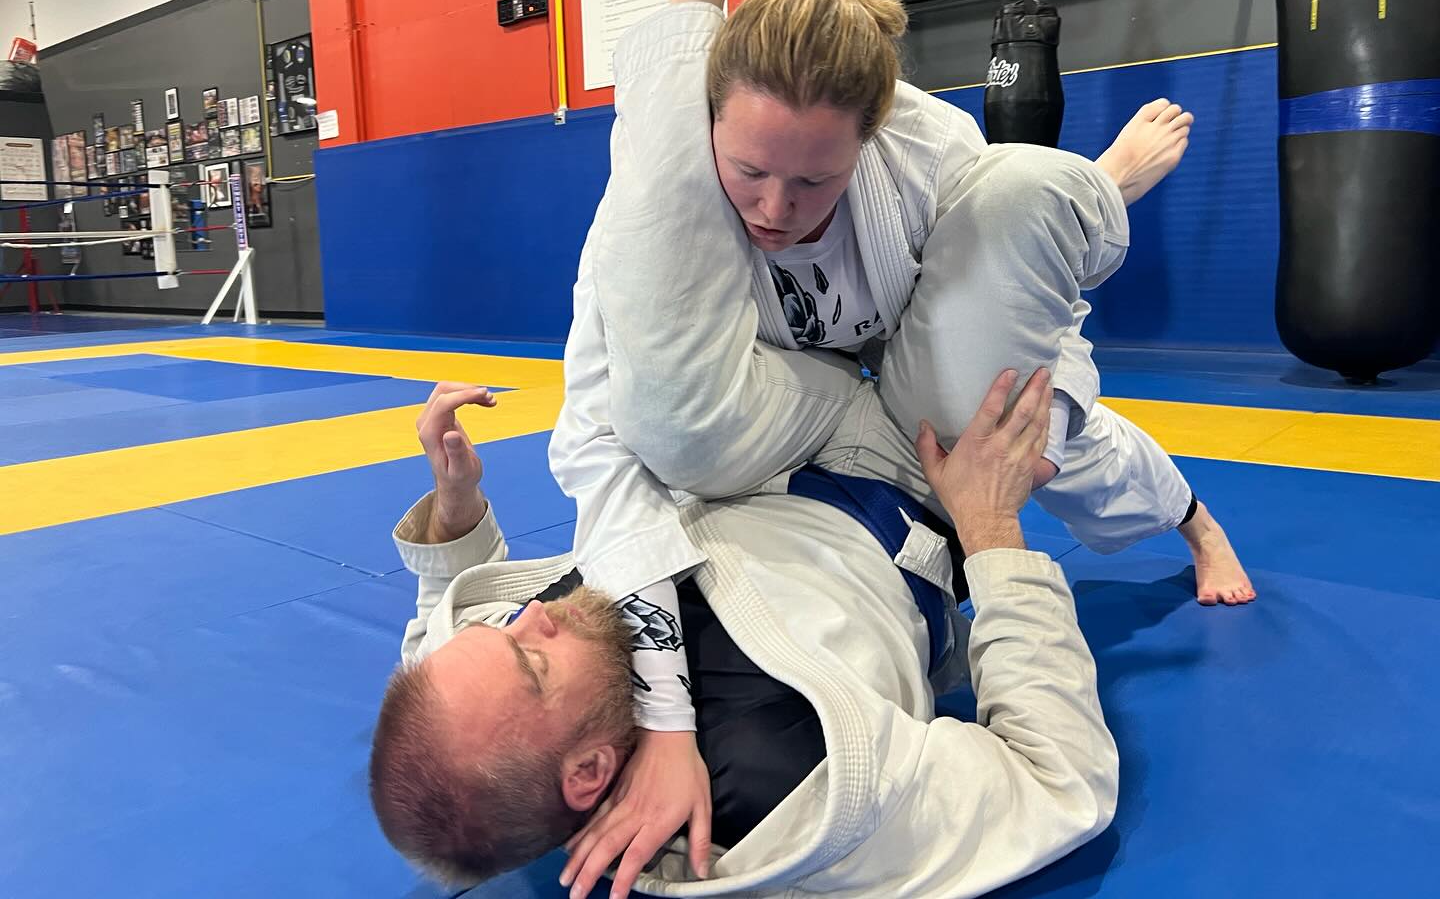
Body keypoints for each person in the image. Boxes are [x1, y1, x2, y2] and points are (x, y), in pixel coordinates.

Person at [547, 0, 1252, 884]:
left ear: (869, 140)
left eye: (814, 182)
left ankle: (1193, 514)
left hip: (912, 355)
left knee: (999, 420)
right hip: (802, 391)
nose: (776, 208)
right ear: (706, 137)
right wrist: (667, 711)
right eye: (748, 173)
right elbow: (607, 429)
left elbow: (1014, 293)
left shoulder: (927, 152)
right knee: (677, 434)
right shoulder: (665, 193)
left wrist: (1006, 470)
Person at [371, 367, 1118, 898]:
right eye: (532, 659)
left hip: (740, 447)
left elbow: (445, 619)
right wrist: (990, 526)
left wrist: (456, 505)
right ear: (589, 774)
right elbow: (1060, 782)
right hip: (906, 476)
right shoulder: (791, 803)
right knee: (1011, 246)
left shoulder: (485, 696)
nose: (531, 615)